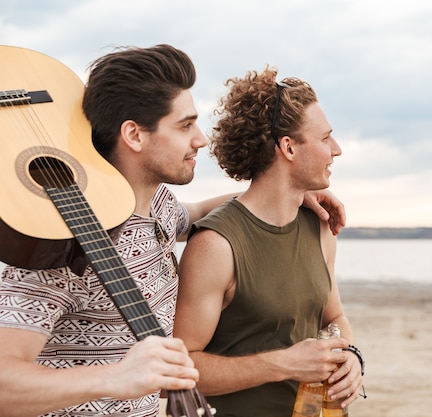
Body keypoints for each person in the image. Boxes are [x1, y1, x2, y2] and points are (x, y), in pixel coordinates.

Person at [0, 45, 345, 417]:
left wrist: (296, 192)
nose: (200, 139)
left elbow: (195, 211)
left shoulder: (158, 205)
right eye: (184, 126)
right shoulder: (60, 243)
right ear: (134, 135)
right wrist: (113, 378)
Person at [173, 67, 364, 417]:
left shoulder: (319, 227)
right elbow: (183, 367)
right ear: (288, 147)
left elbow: (333, 317)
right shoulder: (215, 244)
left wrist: (351, 354)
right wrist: (284, 364)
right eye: (325, 139)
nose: (336, 150)